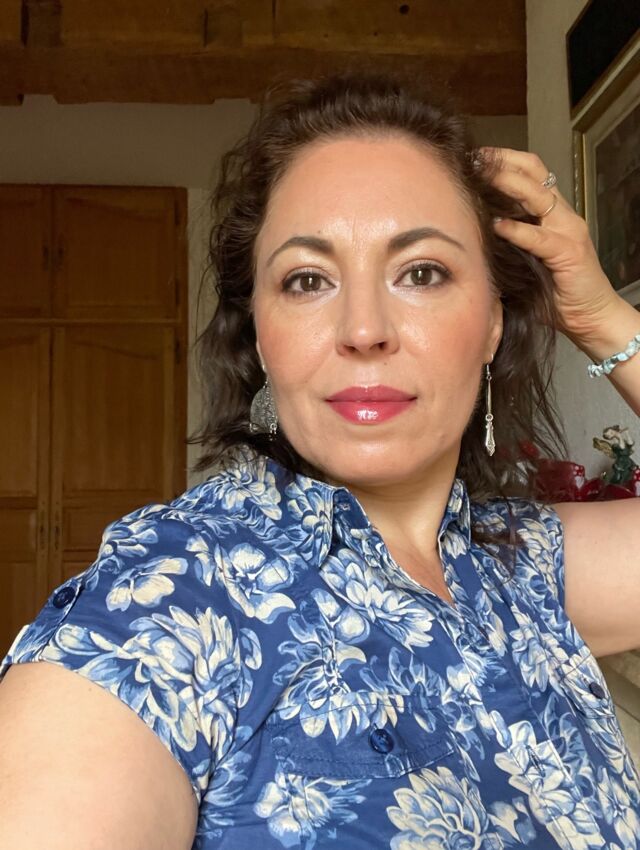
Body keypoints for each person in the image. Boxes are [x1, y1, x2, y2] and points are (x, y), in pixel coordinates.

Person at [1, 71, 639, 850]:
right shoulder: (173, 598)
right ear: (261, 336)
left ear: (493, 325)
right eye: (308, 280)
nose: (363, 329)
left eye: (422, 272)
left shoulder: (525, 568)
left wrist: (603, 317)